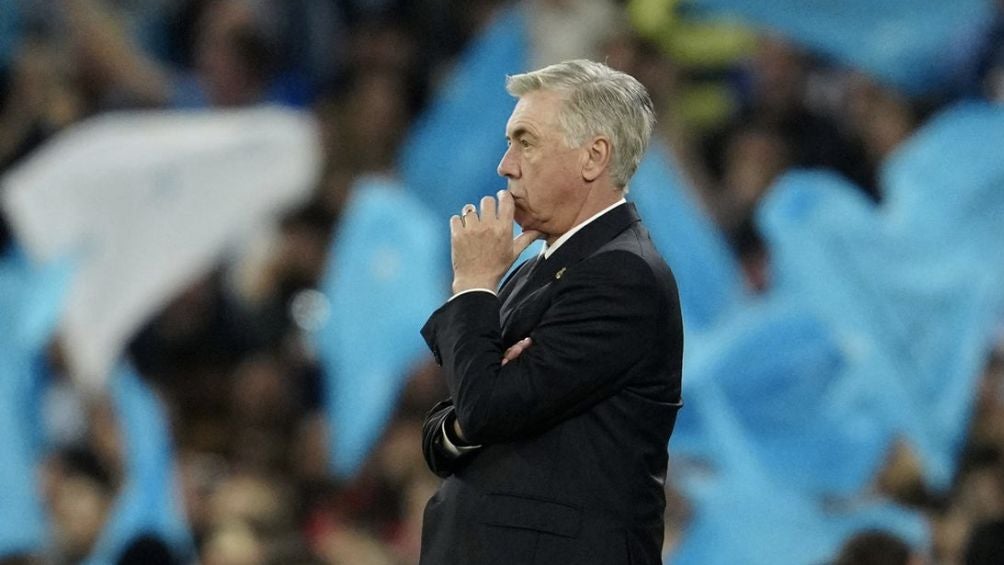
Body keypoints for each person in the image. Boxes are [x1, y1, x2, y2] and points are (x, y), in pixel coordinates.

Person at [418, 59, 684, 565]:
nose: (505, 165)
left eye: (526, 142)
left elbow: (483, 407)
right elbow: (443, 434)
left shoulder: (624, 275)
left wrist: (473, 285)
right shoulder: (534, 270)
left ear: (593, 157)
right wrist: (474, 411)